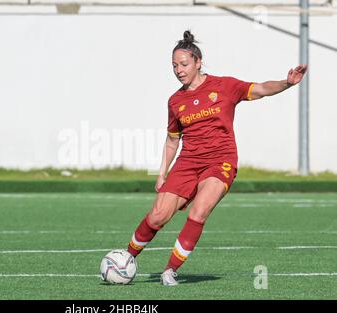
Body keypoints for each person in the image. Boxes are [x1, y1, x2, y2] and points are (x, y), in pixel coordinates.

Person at [126, 30, 308, 286]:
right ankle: (125, 259)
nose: (179, 70)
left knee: (199, 211)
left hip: (220, 160)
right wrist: (162, 173)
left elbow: (262, 89)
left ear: (198, 62)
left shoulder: (225, 86)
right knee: (157, 215)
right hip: (188, 162)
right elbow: (172, 140)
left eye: (184, 64)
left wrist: (287, 82)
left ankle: (169, 271)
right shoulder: (175, 101)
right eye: (174, 66)